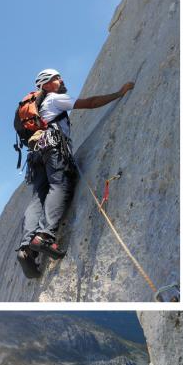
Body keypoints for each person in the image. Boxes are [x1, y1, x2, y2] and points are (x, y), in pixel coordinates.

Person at [17, 68, 135, 278]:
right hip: (52, 148)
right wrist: (119, 93)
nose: (61, 80)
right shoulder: (53, 99)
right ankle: (44, 236)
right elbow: (89, 103)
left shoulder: (39, 106)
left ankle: (26, 247)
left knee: (38, 198)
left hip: (35, 154)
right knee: (59, 185)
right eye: (55, 78)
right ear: (46, 85)